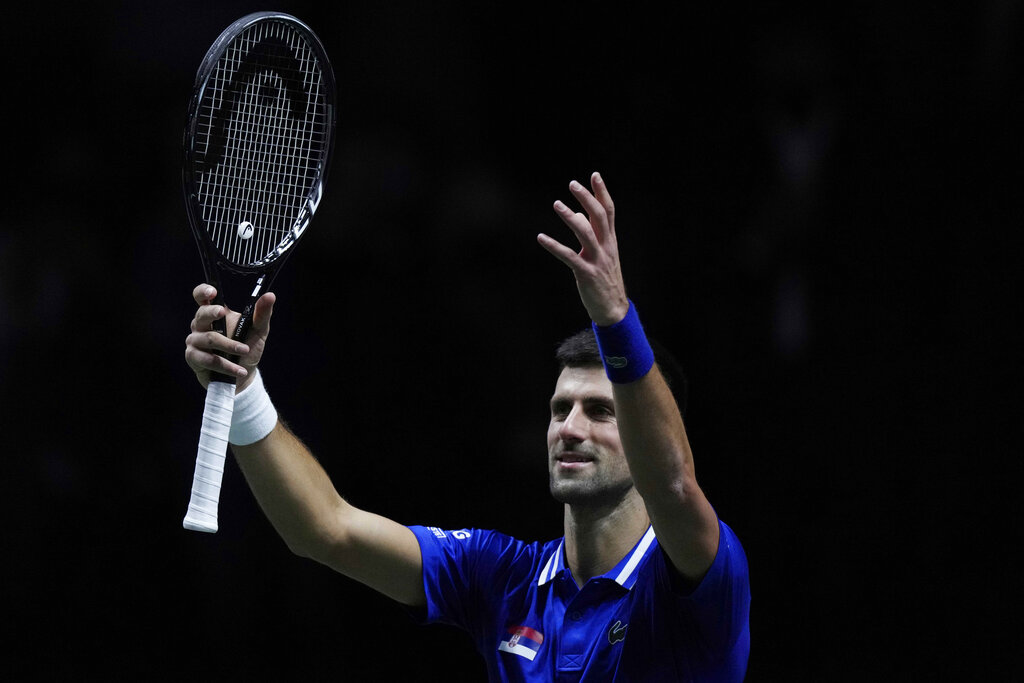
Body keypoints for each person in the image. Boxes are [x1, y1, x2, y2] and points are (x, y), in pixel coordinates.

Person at [184, 172, 750, 681]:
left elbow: (674, 486)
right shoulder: (501, 577)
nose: (570, 428)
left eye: (601, 411)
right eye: (560, 410)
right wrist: (244, 390)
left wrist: (614, 318)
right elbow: (327, 530)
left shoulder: (695, 583)